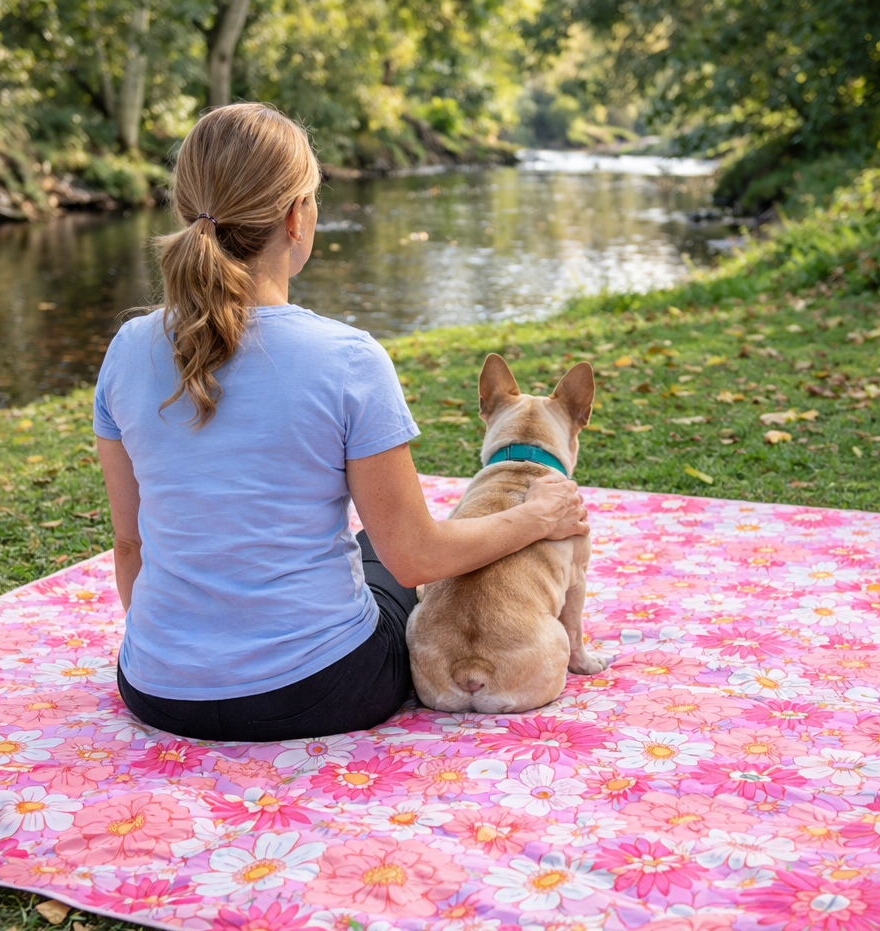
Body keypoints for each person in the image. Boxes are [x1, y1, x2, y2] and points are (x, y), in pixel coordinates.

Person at [93, 102, 589, 743]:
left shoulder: (127, 349)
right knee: (384, 554)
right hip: (317, 691)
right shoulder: (349, 358)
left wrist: (188, 657)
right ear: (298, 217)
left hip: (158, 690)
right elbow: (416, 558)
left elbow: (130, 545)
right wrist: (535, 518)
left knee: (365, 548)